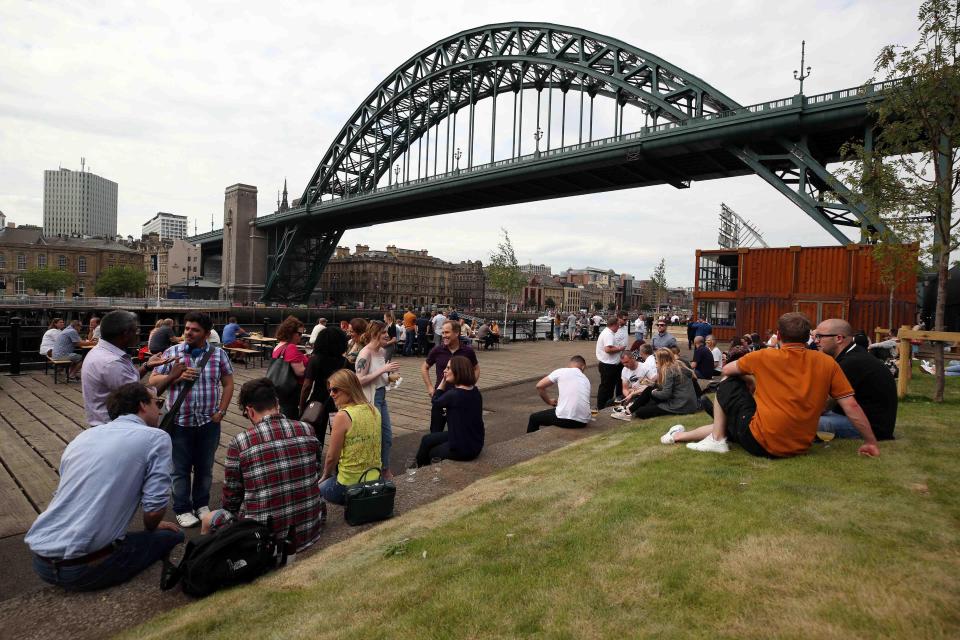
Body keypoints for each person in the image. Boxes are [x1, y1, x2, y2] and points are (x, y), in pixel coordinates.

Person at [24, 383, 183, 591]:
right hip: (84, 567)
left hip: (41, 560)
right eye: (157, 403)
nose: (159, 409)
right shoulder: (156, 438)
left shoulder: (84, 437)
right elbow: (153, 511)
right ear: (143, 405)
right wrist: (153, 526)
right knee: (174, 536)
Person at [685, 312, 880, 457]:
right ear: (808, 337)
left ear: (778, 335)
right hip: (801, 445)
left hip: (762, 443)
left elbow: (726, 370)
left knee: (729, 381)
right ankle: (704, 432)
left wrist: (749, 378)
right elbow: (851, 405)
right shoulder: (827, 363)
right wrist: (870, 441)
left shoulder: (764, 356)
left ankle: (716, 438)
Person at [201, 378, 324, 551]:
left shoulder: (240, 442)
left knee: (209, 519)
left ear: (250, 411)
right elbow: (315, 471)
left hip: (263, 542)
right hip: (309, 530)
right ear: (277, 404)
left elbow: (232, 498)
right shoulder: (307, 429)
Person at [149, 312, 234, 528]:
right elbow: (153, 380)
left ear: (206, 333)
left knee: (205, 467)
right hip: (179, 422)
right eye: (187, 328)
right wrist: (174, 377)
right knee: (180, 469)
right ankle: (182, 508)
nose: (188, 332)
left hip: (208, 422)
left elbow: (228, 383)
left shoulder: (218, 355)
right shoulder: (173, 352)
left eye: (194, 330)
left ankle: (201, 504)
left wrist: (221, 411)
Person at [82, 310, 182, 426]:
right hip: (114, 428)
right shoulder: (112, 363)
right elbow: (142, 396)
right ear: (126, 333)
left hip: (102, 422)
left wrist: (147, 366)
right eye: (136, 330)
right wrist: (172, 376)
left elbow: (127, 382)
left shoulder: (100, 352)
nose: (137, 334)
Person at [815, 319, 897, 441]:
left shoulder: (852, 362)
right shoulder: (853, 355)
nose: (816, 341)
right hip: (856, 418)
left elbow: (824, 404)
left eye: (820, 336)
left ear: (839, 338)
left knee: (797, 423)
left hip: (871, 427)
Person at [319, 369, 382, 505]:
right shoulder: (374, 410)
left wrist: (325, 475)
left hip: (350, 486)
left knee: (315, 489)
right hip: (374, 479)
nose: (331, 394)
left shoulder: (343, 416)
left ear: (348, 389)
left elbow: (331, 457)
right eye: (330, 390)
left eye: (335, 390)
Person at [416, 355, 484, 465]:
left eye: (448, 368)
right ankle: (415, 467)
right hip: (474, 441)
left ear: (458, 371)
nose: (444, 371)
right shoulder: (475, 391)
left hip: (464, 448)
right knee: (427, 439)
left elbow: (435, 401)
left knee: (432, 453)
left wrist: (443, 382)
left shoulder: (454, 395)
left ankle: (417, 471)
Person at [355, 320, 401, 478]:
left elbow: (380, 377)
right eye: (383, 333)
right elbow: (358, 380)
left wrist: (390, 378)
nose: (387, 335)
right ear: (374, 334)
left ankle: (384, 468)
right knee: (376, 436)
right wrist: (384, 369)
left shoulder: (381, 352)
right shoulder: (365, 353)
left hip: (381, 395)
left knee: (386, 436)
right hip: (370, 398)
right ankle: (377, 470)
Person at [422, 319, 480, 433]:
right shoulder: (437, 350)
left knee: (460, 429)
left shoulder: (467, 351)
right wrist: (429, 387)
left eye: (447, 332)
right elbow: (424, 367)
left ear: (457, 333)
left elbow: (476, 368)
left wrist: (471, 384)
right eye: (443, 333)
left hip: (461, 397)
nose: (444, 336)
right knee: (435, 430)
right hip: (442, 395)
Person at [613, 348, 698, 421]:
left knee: (641, 412)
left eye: (656, 359)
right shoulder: (679, 365)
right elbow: (669, 387)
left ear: (661, 360)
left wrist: (652, 392)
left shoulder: (668, 370)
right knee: (650, 389)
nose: (656, 362)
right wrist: (652, 387)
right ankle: (628, 411)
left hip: (680, 405)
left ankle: (628, 412)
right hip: (689, 403)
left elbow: (665, 394)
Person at [300, 326, 349, 436]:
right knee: (337, 433)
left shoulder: (315, 360)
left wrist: (302, 405)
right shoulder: (345, 362)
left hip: (318, 401)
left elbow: (307, 386)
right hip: (338, 402)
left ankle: (318, 452)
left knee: (317, 434)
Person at [527, 355, 592, 432]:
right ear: (583, 367)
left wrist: (549, 401)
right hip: (583, 421)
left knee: (533, 418)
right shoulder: (586, 380)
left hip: (566, 419)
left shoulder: (562, 371)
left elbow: (539, 386)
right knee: (556, 411)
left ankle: (531, 443)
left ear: (569, 365)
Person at [271, 316, 310, 419]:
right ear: (290, 332)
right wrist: (313, 366)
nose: (300, 337)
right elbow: (300, 372)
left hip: (280, 390)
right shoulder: (291, 347)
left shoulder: (278, 346)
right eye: (299, 334)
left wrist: (303, 357)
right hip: (292, 391)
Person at [595, 316, 625, 410]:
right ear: (614, 325)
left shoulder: (607, 332)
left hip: (609, 364)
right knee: (606, 387)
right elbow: (608, 349)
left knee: (608, 387)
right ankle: (602, 406)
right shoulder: (609, 334)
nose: (619, 327)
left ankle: (605, 405)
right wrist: (620, 348)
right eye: (618, 325)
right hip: (608, 365)